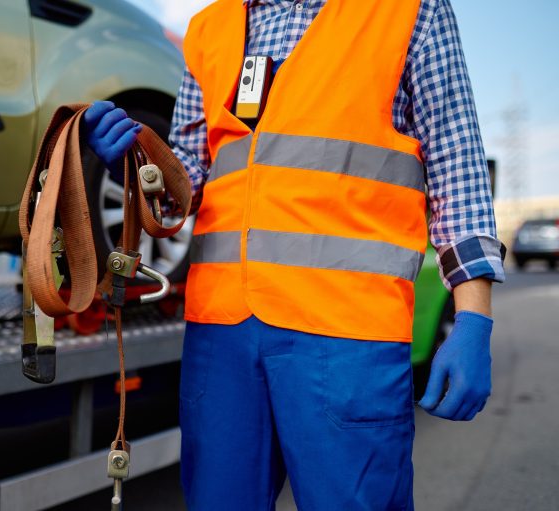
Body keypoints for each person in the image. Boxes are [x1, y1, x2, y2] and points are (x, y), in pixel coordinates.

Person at [82, 0, 505, 508]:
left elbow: (457, 169)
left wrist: (473, 318)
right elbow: (187, 180)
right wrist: (137, 165)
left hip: (346, 335)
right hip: (222, 336)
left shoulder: (408, 11)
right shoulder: (210, 29)